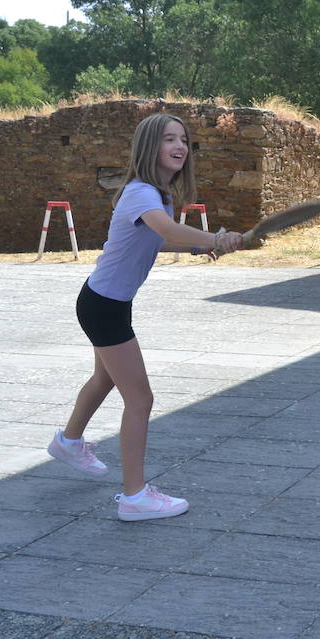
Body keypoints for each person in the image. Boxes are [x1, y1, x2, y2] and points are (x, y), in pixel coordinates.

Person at [46, 112, 244, 521]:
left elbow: (154, 241)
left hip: (105, 300)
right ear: (148, 147)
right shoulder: (141, 194)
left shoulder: (160, 196)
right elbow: (167, 231)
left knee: (105, 378)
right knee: (140, 398)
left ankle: (68, 441)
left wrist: (198, 248)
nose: (180, 146)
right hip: (104, 306)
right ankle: (135, 496)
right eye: (169, 139)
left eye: (184, 140)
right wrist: (217, 238)